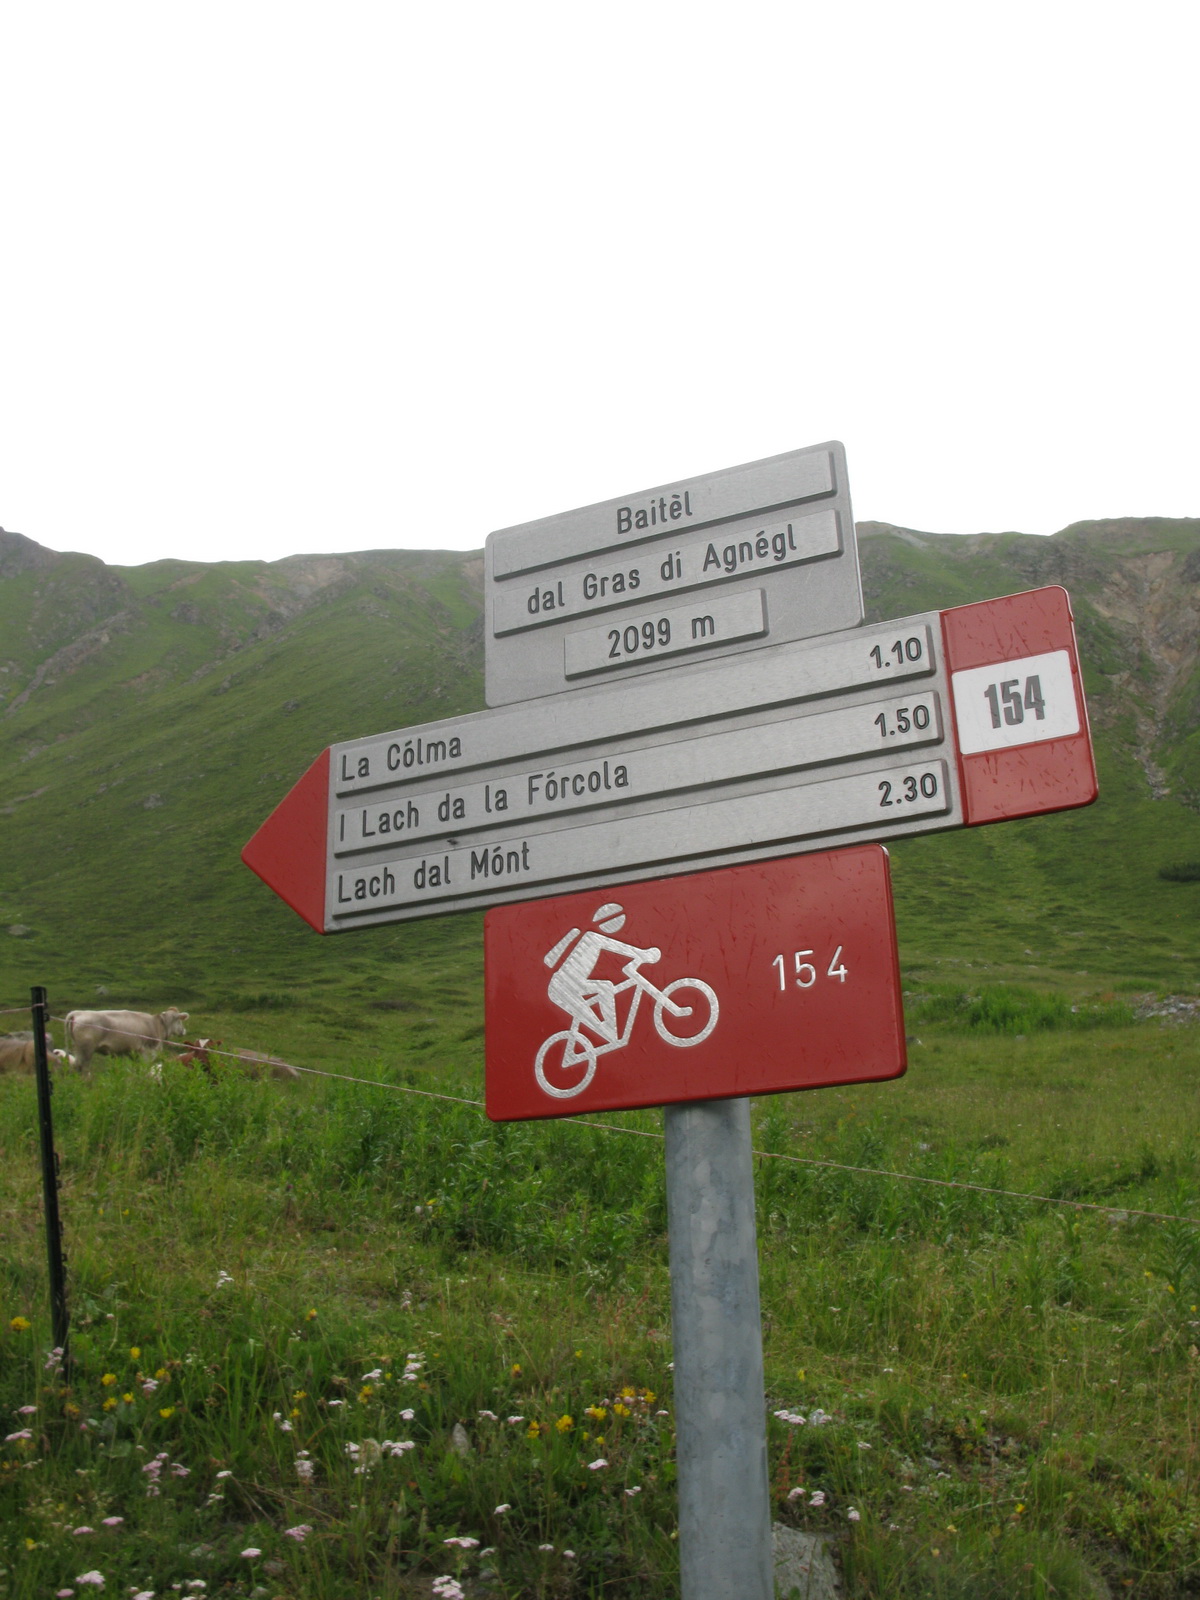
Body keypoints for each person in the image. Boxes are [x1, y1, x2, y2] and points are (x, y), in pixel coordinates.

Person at [543, 902, 660, 1044]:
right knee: (603, 1029)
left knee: (606, 986)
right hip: (563, 988)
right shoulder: (591, 938)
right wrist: (641, 953)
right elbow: (612, 945)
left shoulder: (586, 940)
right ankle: (610, 1036)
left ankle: (611, 1032)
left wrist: (640, 954)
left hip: (572, 984)